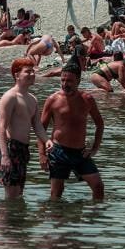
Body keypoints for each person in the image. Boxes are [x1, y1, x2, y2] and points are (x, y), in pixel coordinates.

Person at [41, 64, 106, 200]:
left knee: (98, 186)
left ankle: (94, 218)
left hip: (80, 153)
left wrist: (94, 148)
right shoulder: (53, 100)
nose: (65, 84)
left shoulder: (87, 99)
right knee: (56, 193)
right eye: (63, 80)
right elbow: (41, 128)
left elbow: (99, 124)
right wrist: (42, 154)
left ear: (79, 80)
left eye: (69, 81)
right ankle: (57, 219)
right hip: (58, 152)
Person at [0, 58, 51, 199]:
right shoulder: (10, 97)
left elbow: (37, 125)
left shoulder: (32, 99)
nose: (32, 74)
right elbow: (1, 127)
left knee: (19, 194)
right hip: (10, 148)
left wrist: (47, 141)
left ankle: (15, 221)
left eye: (33, 71)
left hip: (23, 150)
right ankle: (4, 220)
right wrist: (4, 156)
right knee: (11, 196)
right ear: (17, 75)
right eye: (28, 71)